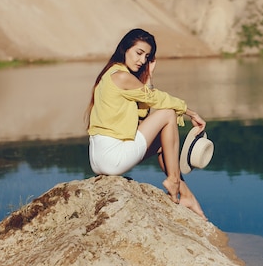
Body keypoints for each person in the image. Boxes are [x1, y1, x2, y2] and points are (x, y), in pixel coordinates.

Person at [86, 28, 206, 219]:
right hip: (112, 157)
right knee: (167, 113)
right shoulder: (122, 76)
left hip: (100, 159)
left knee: (162, 144)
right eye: (138, 53)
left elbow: (143, 111)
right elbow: (158, 100)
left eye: (147, 56)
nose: (142, 60)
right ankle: (174, 181)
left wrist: (148, 78)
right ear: (125, 49)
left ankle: (186, 195)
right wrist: (190, 113)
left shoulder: (110, 74)